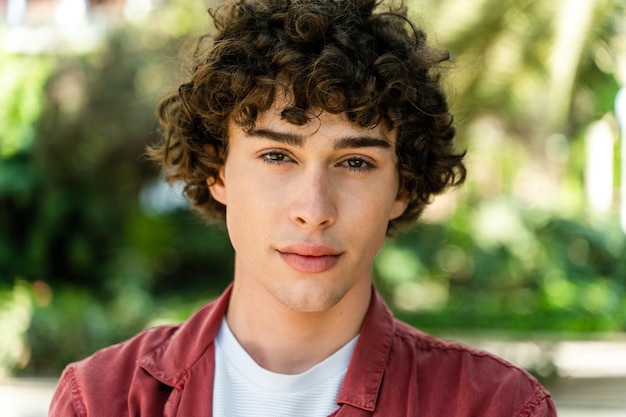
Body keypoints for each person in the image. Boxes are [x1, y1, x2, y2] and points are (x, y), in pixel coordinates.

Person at [49, 0, 558, 416]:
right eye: (276, 155)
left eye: (356, 162)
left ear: (402, 186)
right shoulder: (100, 400)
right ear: (217, 171)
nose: (314, 210)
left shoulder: (495, 406)